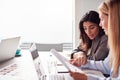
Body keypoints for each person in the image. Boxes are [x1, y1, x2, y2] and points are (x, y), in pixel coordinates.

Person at [69, 0, 120, 80]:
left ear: (112, 19)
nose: (100, 24)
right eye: (85, 29)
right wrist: (81, 63)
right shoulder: (117, 43)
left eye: (102, 19)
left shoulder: (106, 39)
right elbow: (106, 66)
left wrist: (87, 78)